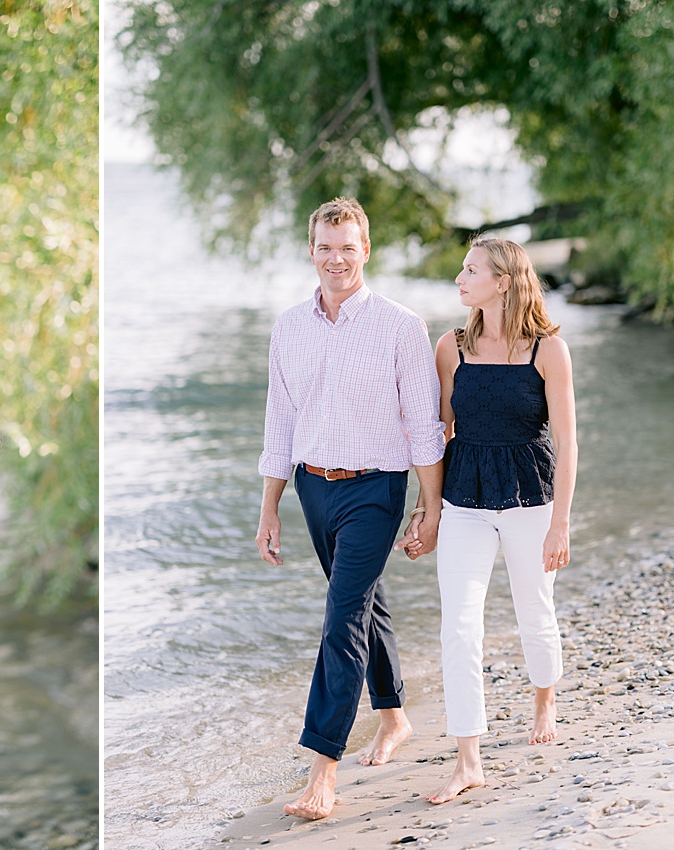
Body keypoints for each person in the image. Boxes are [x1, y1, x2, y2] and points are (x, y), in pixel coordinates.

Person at [255, 197, 446, 820]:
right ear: (311, 250)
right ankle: (393, 718)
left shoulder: (400, 325)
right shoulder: (289, 327)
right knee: (360, 601)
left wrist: (430, 505)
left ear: (366, 250)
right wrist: (270, 507)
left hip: (377, 488)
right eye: (325, 247)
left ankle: (323, 772)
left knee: (340, 618)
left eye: (348, 247)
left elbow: (423, 423)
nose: (336, 259)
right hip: (313, 485)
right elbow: (279, 422)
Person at [413, 236, 576, 805]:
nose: (460, 278)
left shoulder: (548, 351)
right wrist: (428, 511)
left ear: (502, 281)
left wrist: (560, 522)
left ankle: (544, 697)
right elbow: (438, 435)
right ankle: (468, 758)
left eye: (470, 269)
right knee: (458, 625)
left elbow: (568, 442)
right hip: (464, 501)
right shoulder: (449, 348)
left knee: (535, 608)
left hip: (532, 499)